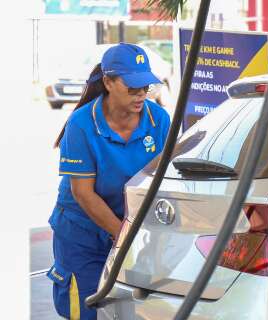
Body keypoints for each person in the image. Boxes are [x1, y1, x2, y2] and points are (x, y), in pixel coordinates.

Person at [46, 43, 170, 320]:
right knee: (86, 307)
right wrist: (124, 236)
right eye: (132, 88)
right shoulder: (82, 124)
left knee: (135, 308)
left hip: (131, 227)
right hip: (83, 232)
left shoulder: (158, 119)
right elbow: (83, 193)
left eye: (145, 88)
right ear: (108, 82)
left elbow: (161, 178)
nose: (140, 95)